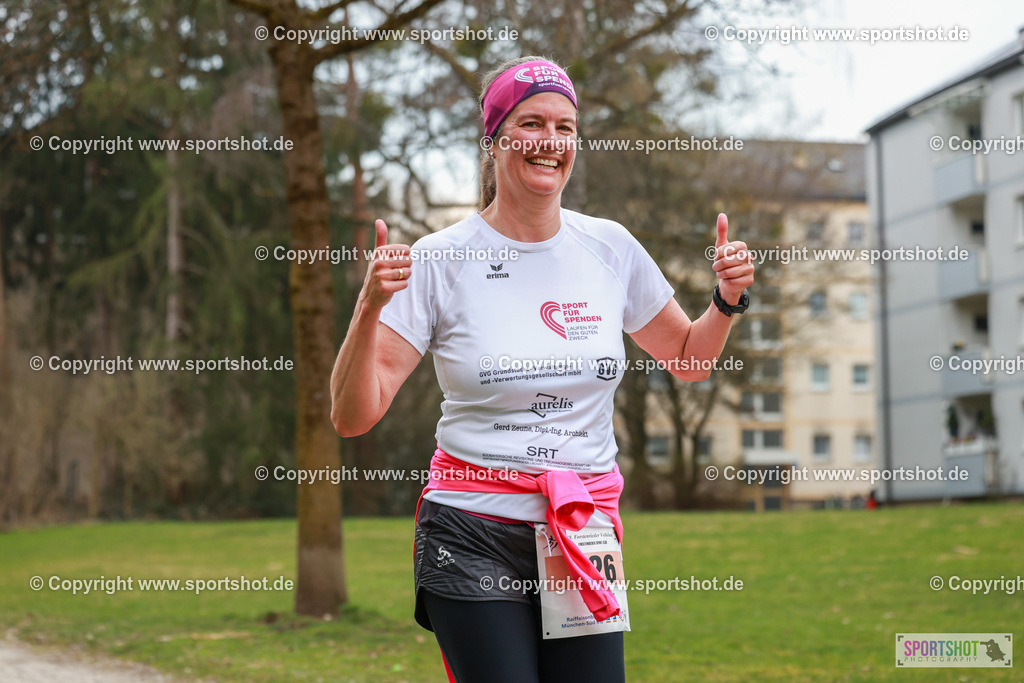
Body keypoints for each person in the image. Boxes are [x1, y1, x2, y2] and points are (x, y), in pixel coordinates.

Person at [330, 56, 755, 683]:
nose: (550, 142)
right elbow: (352, 415)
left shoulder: (609, 248)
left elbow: (689, 361)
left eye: (565, 127)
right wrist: (369, 308)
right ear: (494, 140)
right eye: (531, 123)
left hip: (580, 528)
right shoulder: (440, 259)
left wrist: (724, 301)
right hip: (470, 528)